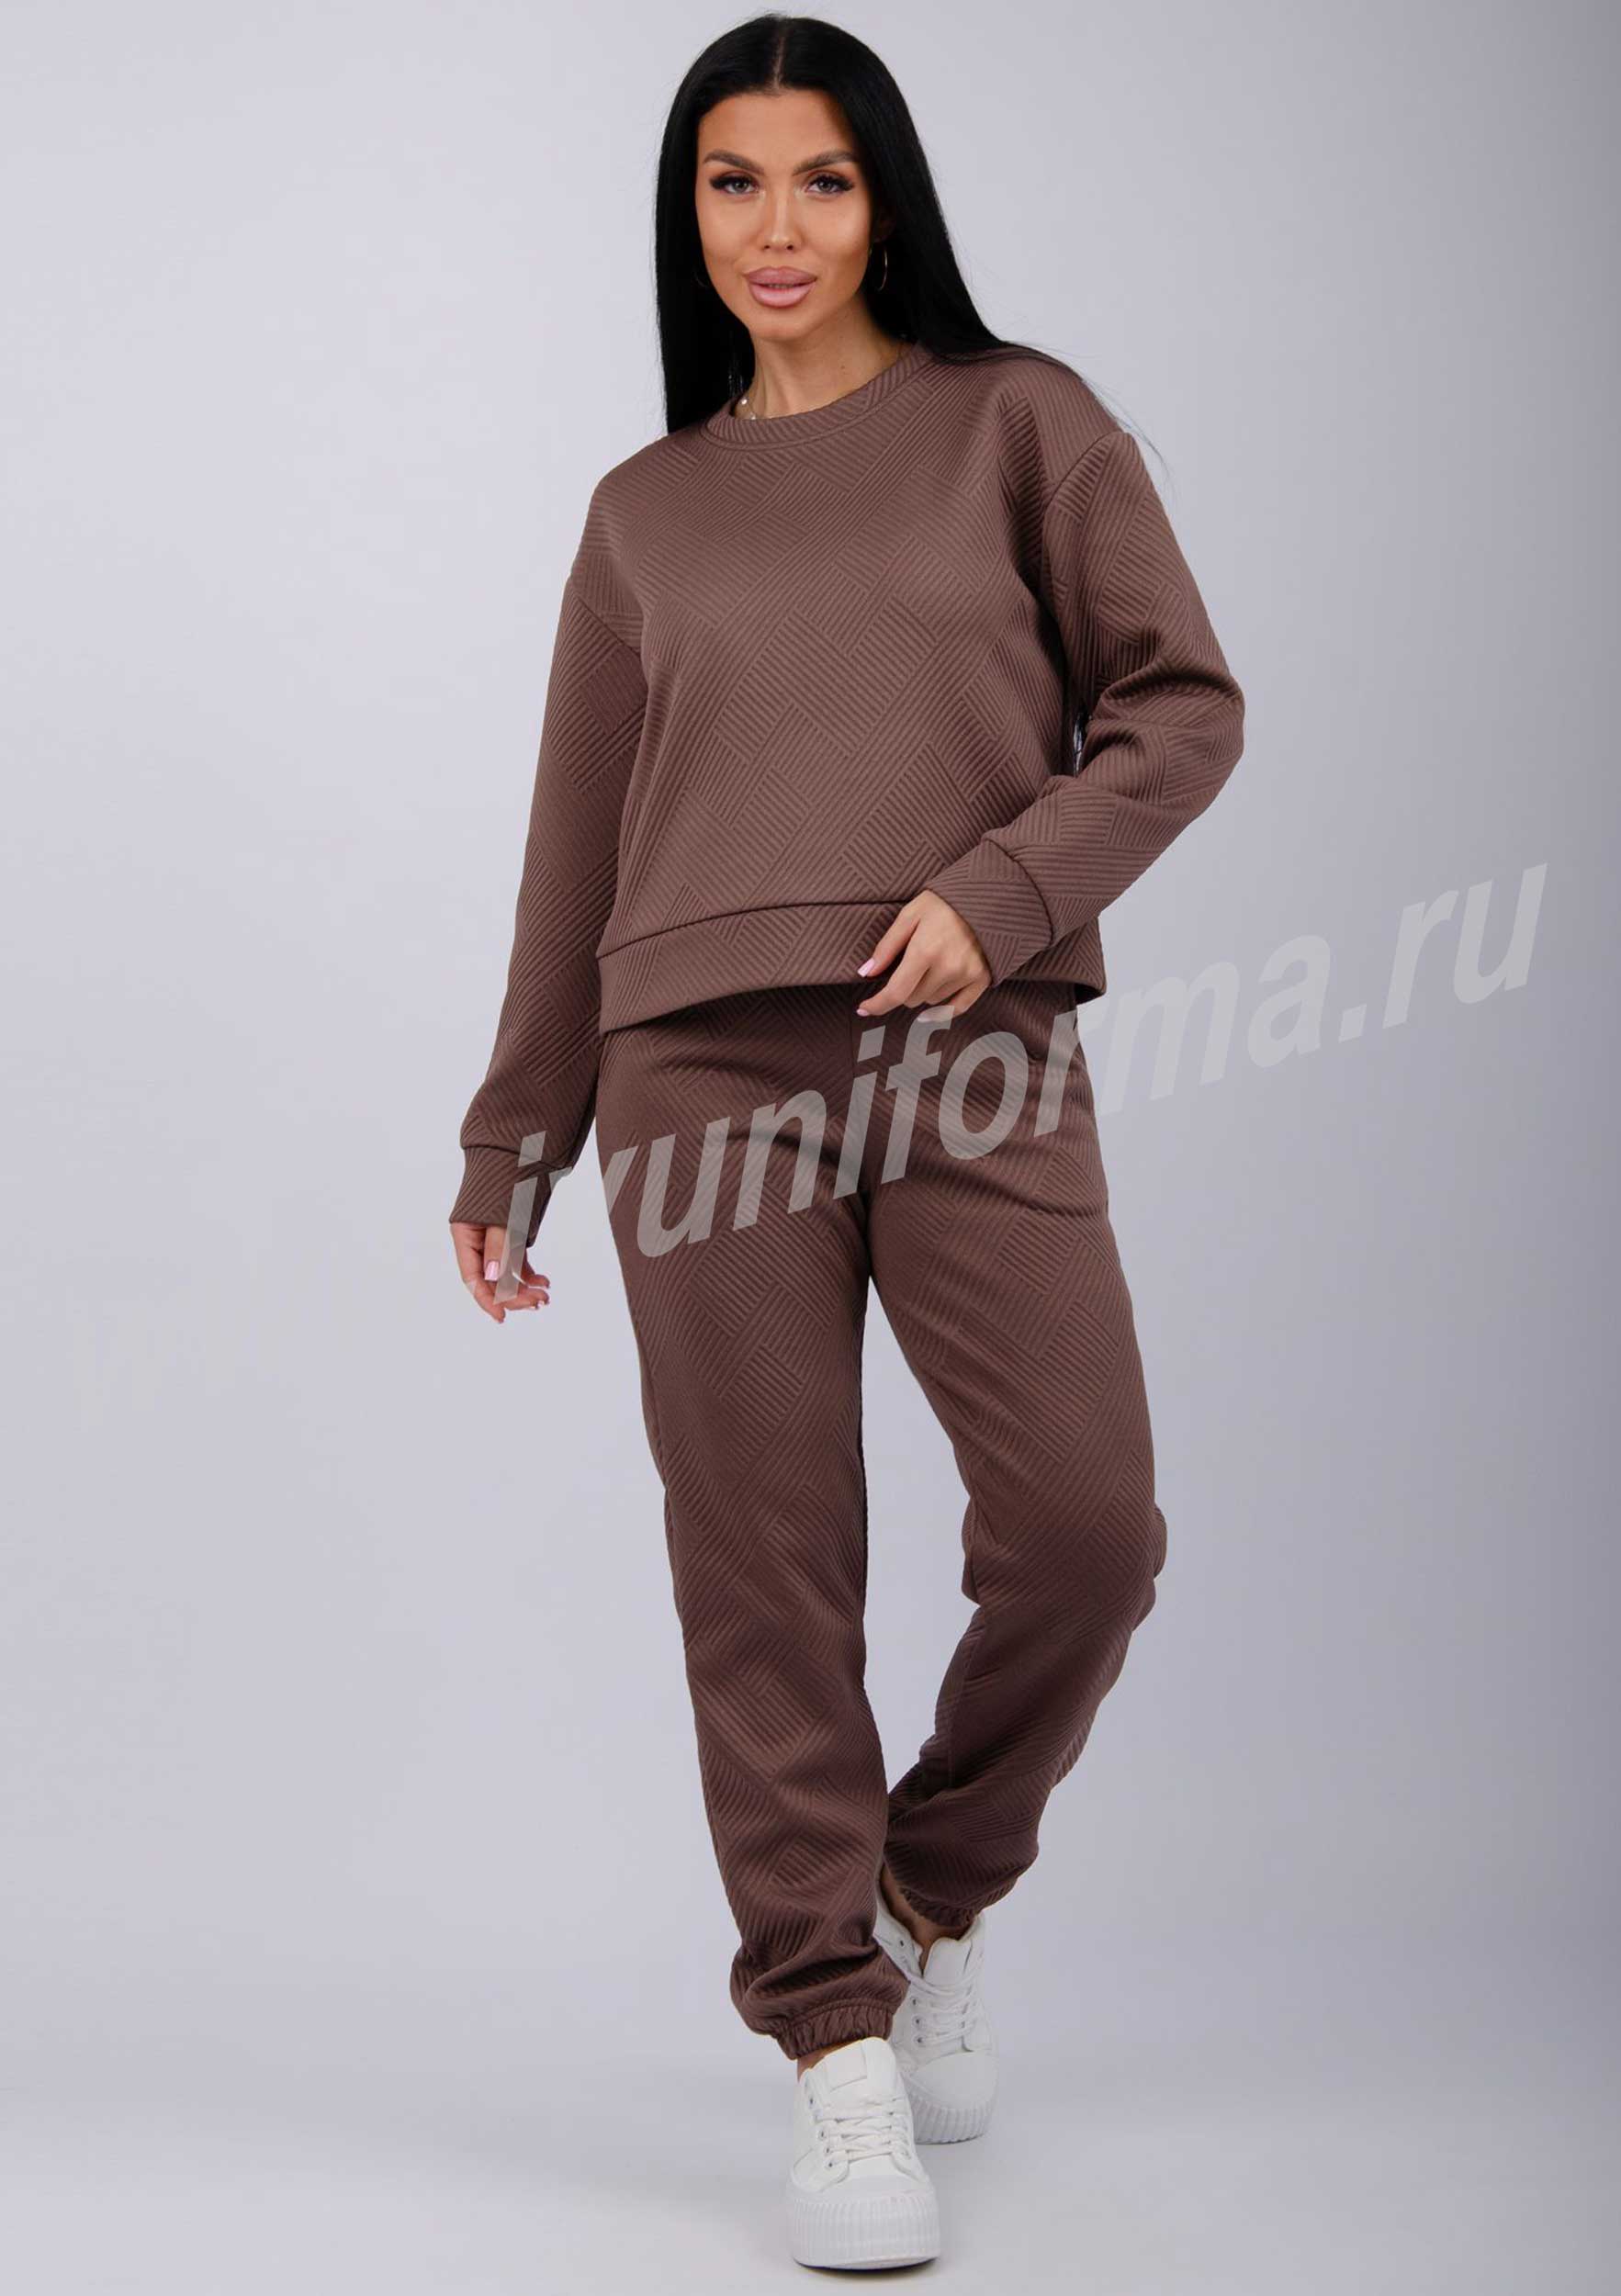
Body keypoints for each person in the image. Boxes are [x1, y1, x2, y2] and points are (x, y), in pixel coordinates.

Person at [447, 14, 1244, 2272]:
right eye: (732, 182)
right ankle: (827, 2032)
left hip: (972, 1048)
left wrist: (1000, 894)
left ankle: (926, 1885)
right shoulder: (643, 512)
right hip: (696, 1072)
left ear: (883, 197)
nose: (774, 228)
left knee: (1086, 1527)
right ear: (686, 212)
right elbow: (573, 854)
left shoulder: (1023, 424)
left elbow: (1179, 708)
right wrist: (513, 1138)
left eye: (818, 178)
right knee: (765, 1565)